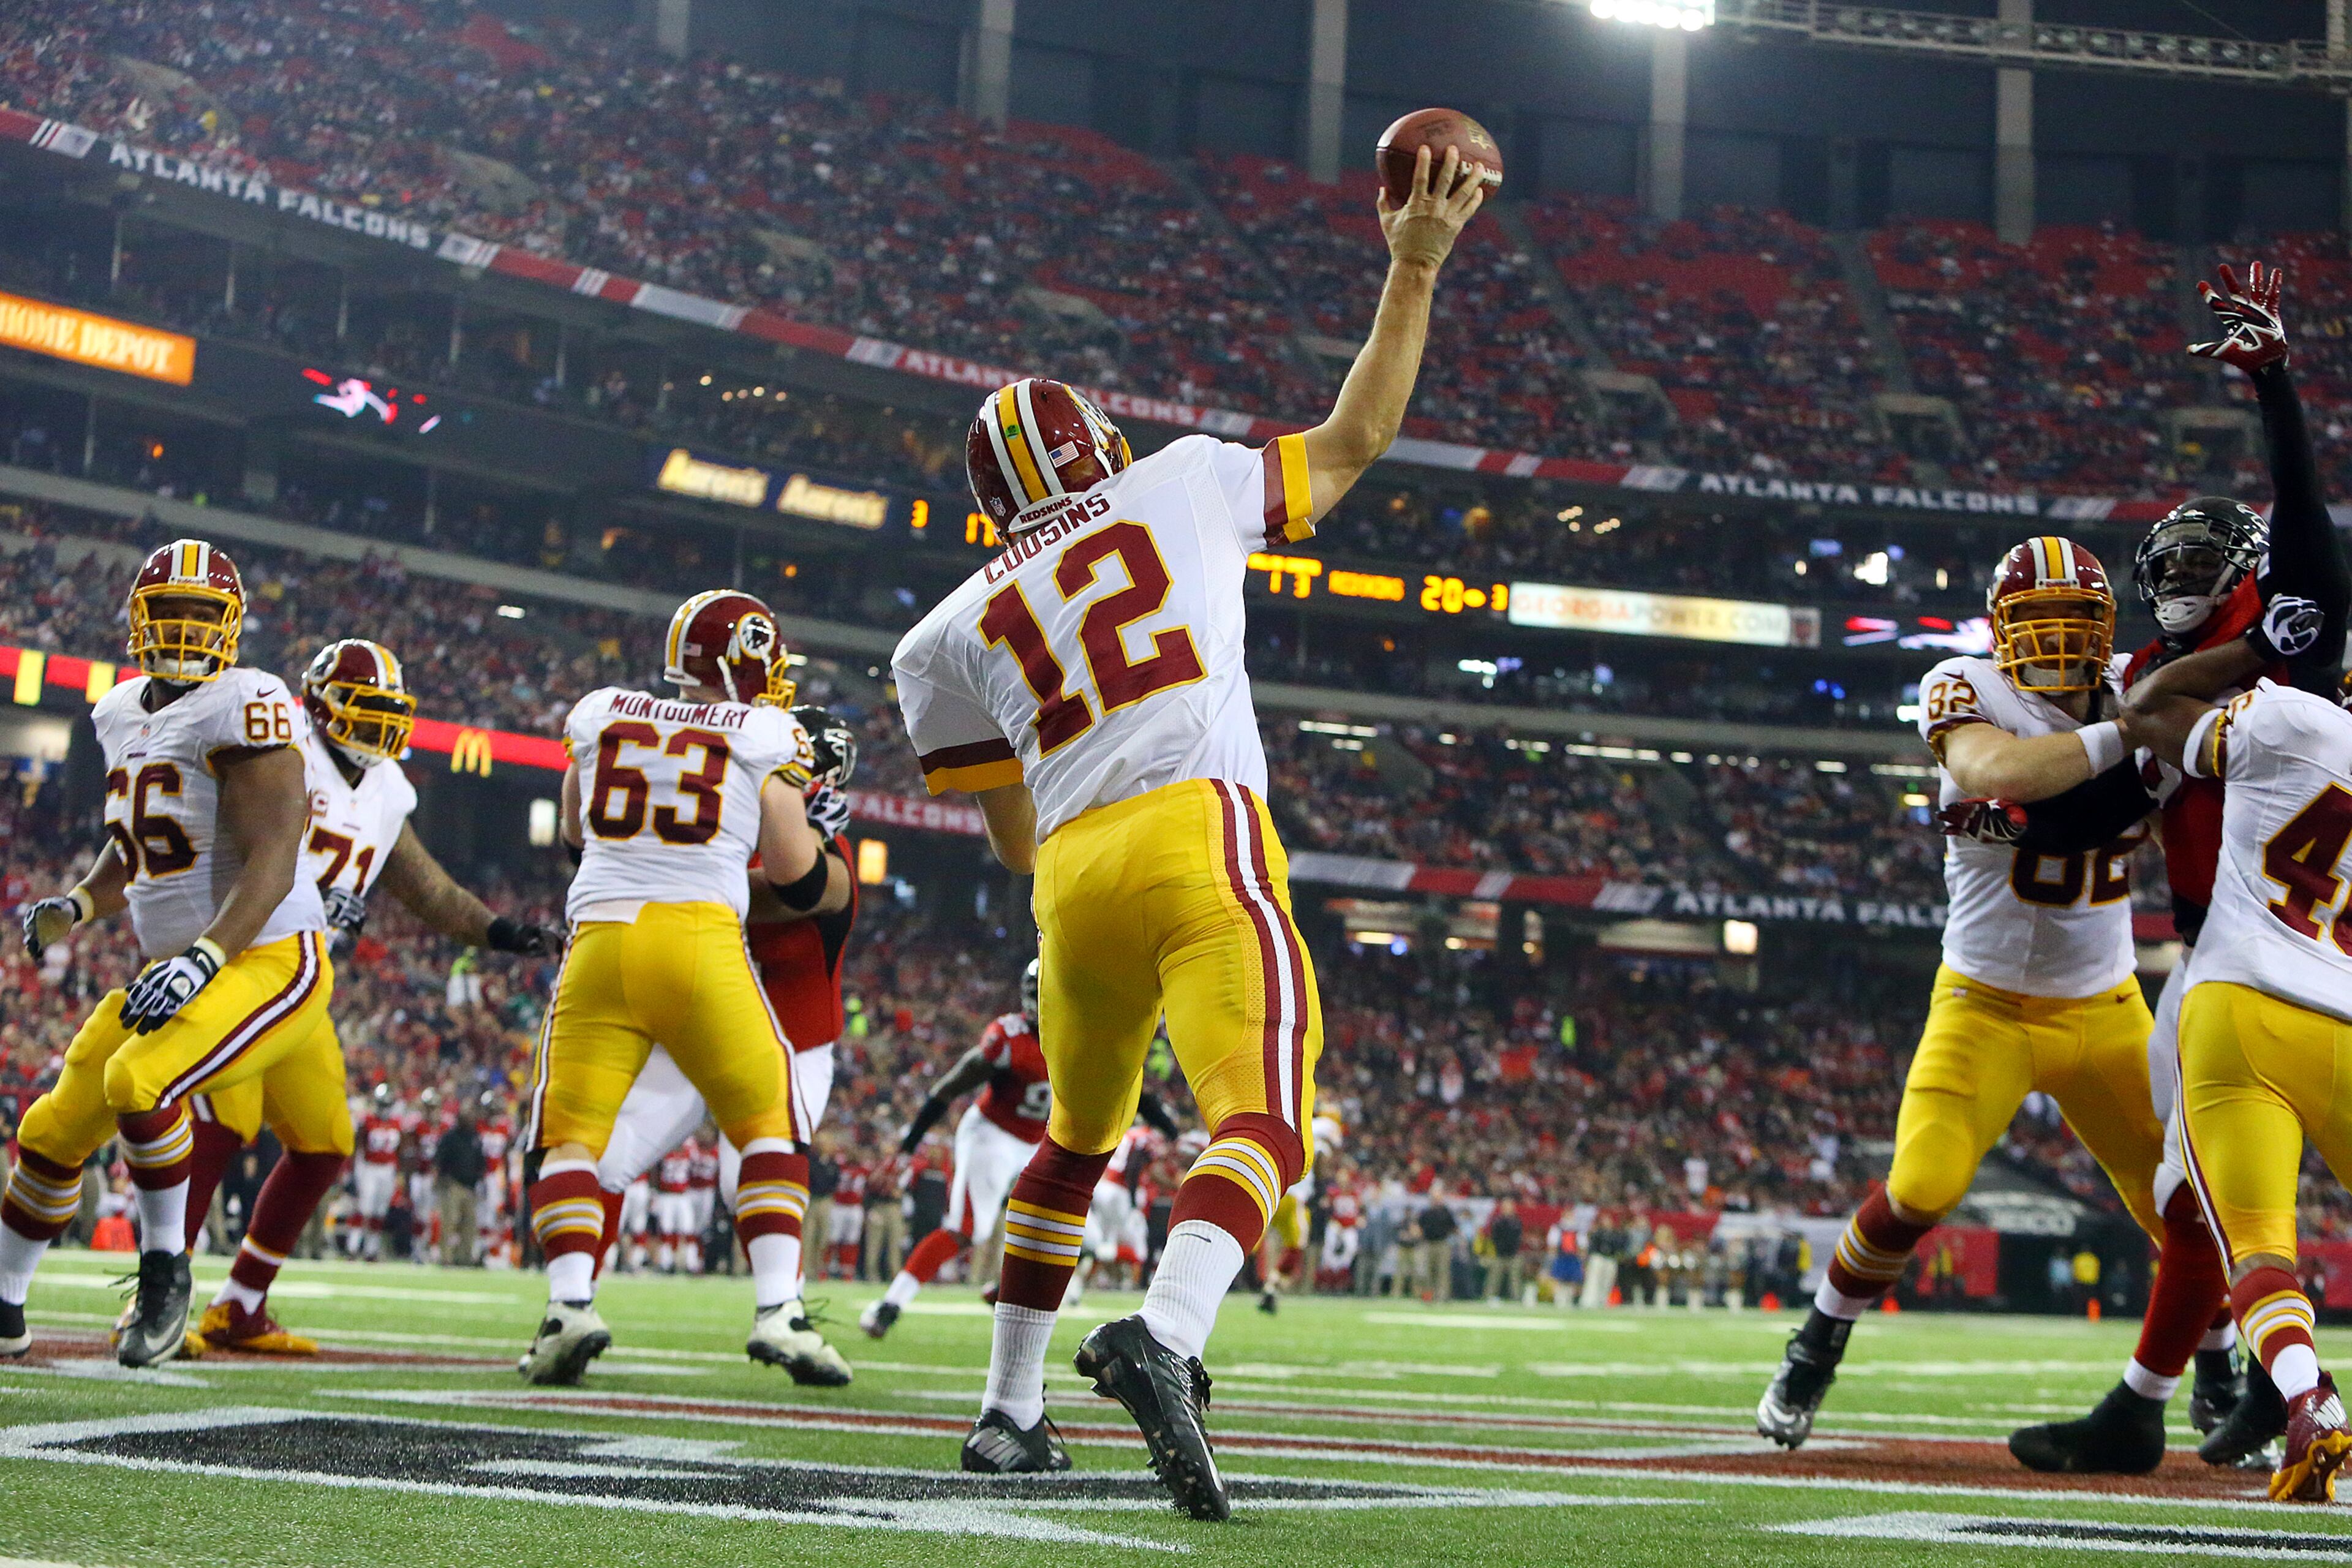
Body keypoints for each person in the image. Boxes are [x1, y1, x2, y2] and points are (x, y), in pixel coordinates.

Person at [890, 143, 1490, 1514]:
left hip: (1070, 880)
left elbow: (1005, 839)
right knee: (1263, 1120)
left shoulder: (942, 632)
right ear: (1104, 445)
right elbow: (1360, 437)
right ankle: (1163, 1336)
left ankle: (1006, 1410)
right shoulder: (1184, 478)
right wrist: (1412, 264)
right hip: (1199, 832)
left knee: (1075, 1140)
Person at [2009, 261, 2352, 1473]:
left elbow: (2312, 571)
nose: (2179, 580)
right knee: (2190, 1193)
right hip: (2276, 948)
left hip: (2251, 965)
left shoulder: (2274, 667)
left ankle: (2178, 1396)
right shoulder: (2201, 674)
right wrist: (2043, 790)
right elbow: (2096, 807)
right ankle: (2199, 1392)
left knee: (2210, 1194)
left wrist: (2277, 392)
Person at [1757, 534, 2184, 1453]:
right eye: (2041, 625)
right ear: (2000, 631)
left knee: (2182, 1206)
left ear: (2108, 629)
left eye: (2079, 626)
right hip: (1984, 1001)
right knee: (1921, 1187)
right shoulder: (1971, 687)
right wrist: (2131, 734)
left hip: (2107, 1004)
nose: (2063, 644)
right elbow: (1995, 774)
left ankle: (2224, 1377)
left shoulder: (2139, 682)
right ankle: (1816, 1344)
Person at [4, 540, 329, 1367]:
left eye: (201, 613)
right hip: (179, 964)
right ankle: (5, 1304)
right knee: (55, 1123)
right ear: (138, 619)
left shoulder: (248, 699)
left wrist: (209, 957)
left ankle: (165, 1272)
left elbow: (275, 854)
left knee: (135, 1080)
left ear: (231, 626)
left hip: (265, 954)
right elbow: (137, 850)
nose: (185, 628)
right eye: (170, 610)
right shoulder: (117, 711)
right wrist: (79, 901)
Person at [178, 639, 556, 1349]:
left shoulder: (386, 789)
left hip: (300, 983)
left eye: (389, 710)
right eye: (366, 707)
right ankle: (154, 1296)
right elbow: (233, 840)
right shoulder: (279, 744)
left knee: (323, 1144)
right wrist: (315, 893)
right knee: (221, 1125)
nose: (380, 725)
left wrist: (505, 932)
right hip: (237, 961)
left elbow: (428, 888)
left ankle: (240, 1305)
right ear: (320, 703)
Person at [516, 589, 837, 1387]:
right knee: (770, 1118)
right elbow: (797, 878)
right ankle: (780, 1313)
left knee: (573, 1136)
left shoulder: (599, 714)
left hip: (597, 940)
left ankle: (567, 1309)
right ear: (750, 659)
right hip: (698, 940)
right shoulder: (764, 732)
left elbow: (570, 833)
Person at [2114, 646, 2352, 1499]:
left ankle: (2308, 1402)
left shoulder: (2292, 716)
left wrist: (2256, 649)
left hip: (2244, 1004)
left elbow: (2148, 706)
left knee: (2256, 1247)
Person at [581, 706, 860, 1373]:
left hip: (791, 1042)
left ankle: (782, 1313)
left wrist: (692, 872)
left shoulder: (827, 855)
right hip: (695, 1032)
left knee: (750, 1178)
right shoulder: (719, 839)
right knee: (609, 1159)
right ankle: (571, 1307)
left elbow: (803, 893)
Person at [435, 1101, 484, 1268]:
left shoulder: (475, 1136)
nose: (470, 1118)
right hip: (453, 1184)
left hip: (470, 1186)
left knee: (470, 1224)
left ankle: (464, 1257)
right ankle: (446, 1257)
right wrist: (442, 1180)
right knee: (450, 1222)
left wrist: (480, 1181)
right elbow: (440, 1160)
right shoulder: (450, 1137)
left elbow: (480, 1161)